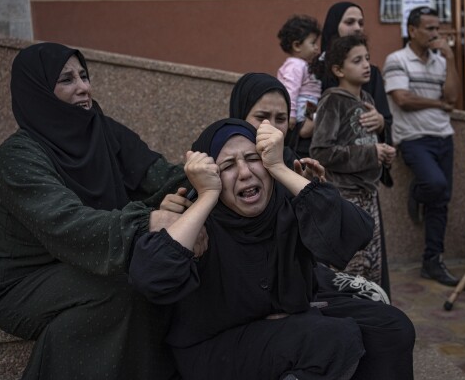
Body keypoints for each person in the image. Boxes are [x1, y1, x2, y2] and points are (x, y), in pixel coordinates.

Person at [128, 118, 415, 380]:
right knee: (333, 338)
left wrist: (283, 172)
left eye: (254, 159)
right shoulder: (198, 222)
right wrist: (206, 198)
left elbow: (356, 232)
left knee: (393, 329)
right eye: (227, 166)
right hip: (216, 347)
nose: (244, 172)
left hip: (287, 320)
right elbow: (150, 276)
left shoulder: (282, 204)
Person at [0, 43, 190, 379]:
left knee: (161, 276)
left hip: (90, 262)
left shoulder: (102, 130)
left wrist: (218, 168)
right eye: (66, 79)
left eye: (84, 75)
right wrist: (150, 218)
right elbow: (67, 223)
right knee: (128, 283)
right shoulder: (17, 157)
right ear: (37, 91)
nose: (84, 86)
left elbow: (161, 175)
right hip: (23, 283)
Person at [229, 71, 390, 302]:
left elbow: (352, 234)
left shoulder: (289, 162)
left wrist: (310, 193)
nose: (273, 128)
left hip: (298, 284)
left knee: (386, 315)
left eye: (281, 119)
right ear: (239, 117)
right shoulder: (221, 167)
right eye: (262, 117)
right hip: (250, 292)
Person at [310, 34, 396, 291]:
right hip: (346, 197)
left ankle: (374, 318)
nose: (366, 64)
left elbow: (367, 142)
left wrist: (385, 155)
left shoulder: (368, 101)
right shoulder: (332, 101)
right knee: (352, 269)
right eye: (357, 60)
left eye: (367, 58)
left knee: (373, 267)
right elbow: (321, 151)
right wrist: (371, 153)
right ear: (338, 69)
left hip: (369, 195)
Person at [382, 6, 460, 286]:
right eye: (430, 28)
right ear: (412, 30)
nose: (435, 33)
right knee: (434, 185)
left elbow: (453, 96)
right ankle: (416, 191)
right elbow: (402, 98)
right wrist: (438, 103)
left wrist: (450, 58)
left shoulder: (440, 61)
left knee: (441, 201)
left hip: (444, 136)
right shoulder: (397, 59)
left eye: (438, 28)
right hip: (413, 138)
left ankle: (432, 261)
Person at [313, 1, 394, 151]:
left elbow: (385, 118)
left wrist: (380, 121)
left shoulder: (371, 72)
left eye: (361, 23)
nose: (357, 28)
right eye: (349, 22)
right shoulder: (315, 69)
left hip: (369, 160)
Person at [276, 14, 321, 158]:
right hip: (302, 110)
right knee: (305, 133)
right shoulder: (295, 65)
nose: (316, 48)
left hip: (309, 106)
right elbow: (290, 90)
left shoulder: (303, 64)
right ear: (297, 45)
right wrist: (291, 114)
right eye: (313, 43)